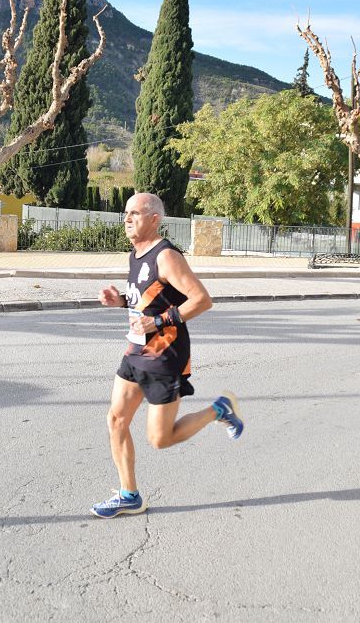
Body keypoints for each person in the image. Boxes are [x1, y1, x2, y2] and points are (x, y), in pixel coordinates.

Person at [91, 192, 244, 518]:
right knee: (116, 420)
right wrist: (120, 301)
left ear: (154, 219)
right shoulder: (136, 254)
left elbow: (201, 300)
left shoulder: (166, 256)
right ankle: (129, 494)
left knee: (160, 439)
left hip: (165, 356)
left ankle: (218, 410)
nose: (127, 218)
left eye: (135, 213)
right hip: (135, 351)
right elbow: (148, 300)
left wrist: (159, 321)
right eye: (126, 213)